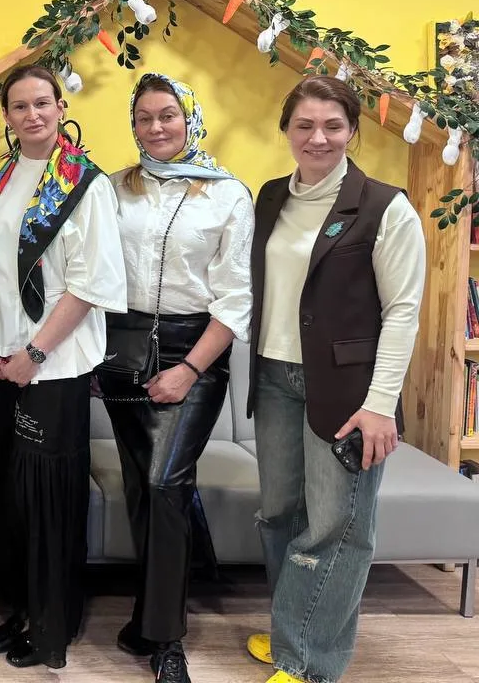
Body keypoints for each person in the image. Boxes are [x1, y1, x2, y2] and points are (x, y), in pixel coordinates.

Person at [246, 76, 424, 683]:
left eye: (332, 126)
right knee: (279, 516)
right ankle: (291, 635)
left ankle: (309, 663)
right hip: (274, 378)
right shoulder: (271, 197)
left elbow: (403, 312)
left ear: (352, 131)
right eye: (304, 125)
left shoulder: (385, 207)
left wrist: (381, 405)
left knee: (335, 528)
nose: (317, 138)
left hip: (349, 393)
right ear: (286, 130)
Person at [0, 64, 126, 672]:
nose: (32, 114)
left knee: (45, 498)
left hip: (52, 365)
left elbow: (91, 282)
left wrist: (34, 355)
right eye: (19, 106)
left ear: (61, 107)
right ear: (6, 116)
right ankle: (21, 606)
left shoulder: (85, 184)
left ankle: (50, 620)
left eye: (42, 103)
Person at [105, 73, 253, 683]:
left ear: (189, 118)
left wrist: (190, 370)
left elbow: (237, 298)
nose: (156, 127)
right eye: (144, 117)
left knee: (165, 482)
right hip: (122, 349)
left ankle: (167, 640)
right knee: (143, 487)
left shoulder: (227, 195)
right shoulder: (115, 188)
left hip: (195, 349)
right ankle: (148, 617)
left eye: (168, 114)